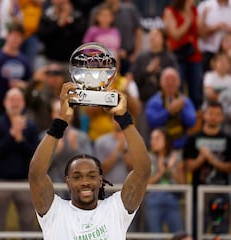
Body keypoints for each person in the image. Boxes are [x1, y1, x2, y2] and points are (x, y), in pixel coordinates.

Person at [28, 82, 151, 239]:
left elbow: (143, 170)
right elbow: (36, 174)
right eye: (77, 176)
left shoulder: (115, 208)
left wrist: (124, 118)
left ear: (100, 180)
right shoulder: (54, 211)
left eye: (91, 176)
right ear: (67, 181)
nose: (85, 181)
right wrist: (62, 119)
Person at [182, 102, 231, 238]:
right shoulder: (193, 139)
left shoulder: (228, 140)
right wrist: (201, 158)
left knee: (220, 233)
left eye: (217, 114)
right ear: (204, 115)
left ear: (222, 117)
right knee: (196, 232)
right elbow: (188, 167)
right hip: (198, 195)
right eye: (210, 113)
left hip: (221, 193)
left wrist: (212, 160)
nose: (213, 117)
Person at [0, 87, 39, 232]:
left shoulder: (31, 126)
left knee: (28, 221)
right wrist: (11, 135)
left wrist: (20, 139)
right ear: (4, 102)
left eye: (18, 100)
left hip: (24, 180)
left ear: (23, 103)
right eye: (12, 99)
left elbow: (34, 154)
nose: (15, 103)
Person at [0, 22, 33, 113]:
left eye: (19, 37)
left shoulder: (25, 61)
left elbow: (30, 84)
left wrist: (20, 84)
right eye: (13, 36)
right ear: (7, 36)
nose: (15, 39)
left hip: (18, 105)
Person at [163, 0, 203, 109]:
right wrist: (188, 20)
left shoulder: (194, 10)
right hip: (178, 56)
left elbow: (201, 33)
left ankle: (195, 118)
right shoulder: (170, 11)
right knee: (178, 88)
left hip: (194, 56)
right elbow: (175, 34)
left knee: (196, 92)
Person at [144, 128, 186, 234]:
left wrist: (171, 169)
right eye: (152, 138)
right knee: (155, 235)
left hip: (173, 198)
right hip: (153, 199)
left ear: (166, 140)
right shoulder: (148, 158)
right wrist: (161, 172)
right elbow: (145, 184)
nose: (153, 142)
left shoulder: (176, 157)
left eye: (157, 138)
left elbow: (183, 184)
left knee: (179, 234)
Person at [145, 67, 197, 150]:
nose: (170, 83)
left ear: (179, 82)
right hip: (160, 147)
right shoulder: (154, 101)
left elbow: (192, 122)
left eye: (173, 80)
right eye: (167, 80)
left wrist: (181, 109)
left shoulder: (185, 101)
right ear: (161, 82)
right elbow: (151, 122)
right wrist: (168, 112)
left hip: (181, 147)